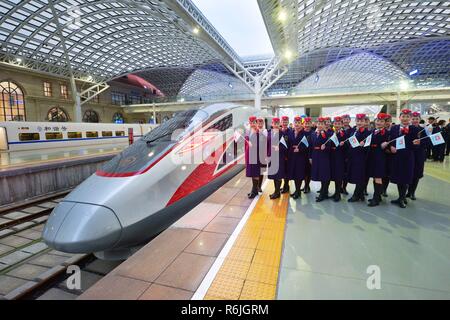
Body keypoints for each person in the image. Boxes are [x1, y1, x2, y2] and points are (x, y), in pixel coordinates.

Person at [388, 109, 420, 208]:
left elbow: (416, 146)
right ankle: (400, 197)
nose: (405, 118)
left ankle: (402, 198)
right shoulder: (394, 128)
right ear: (399, 117)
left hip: (408, 157)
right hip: (396, 156)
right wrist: (391, 147)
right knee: (398, 177)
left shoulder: (414, 129)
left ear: (410, 118)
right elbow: (390, 141)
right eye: (403, 116)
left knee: (405, 178)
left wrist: (417, 144)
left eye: (407, 117)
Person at [366, 113, 389, 207]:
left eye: (381, 121)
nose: (379, 122)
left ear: (385, 123)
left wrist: (387, 144)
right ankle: (377, 196)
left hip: (380, 157)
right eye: (378, 121)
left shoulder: (387, 133)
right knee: (375, 177)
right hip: (372, 156)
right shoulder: (373, 131)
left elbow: (392, 143)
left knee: (378, 177)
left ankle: (376, 199)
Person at [347, 113, 371, 202]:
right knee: (356, 176)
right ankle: (361, 195)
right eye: (358, 121)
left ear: (365, 122)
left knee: (359, 177)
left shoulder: (368, 133)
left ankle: (356, 195)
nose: (359, 122)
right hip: (353, 157)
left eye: (361, 121)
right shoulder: (353, 131)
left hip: (362, 158)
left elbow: (370, 146)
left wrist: (364, 145)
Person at [287, 116, 309, 199]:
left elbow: (308, 146)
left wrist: (299, 149)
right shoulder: (291, 133)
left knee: (298, 174)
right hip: (292, 156)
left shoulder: (305, 134)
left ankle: (298, 191)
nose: (297, 124)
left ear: (301, 124)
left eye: (298, 123)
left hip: (301, 157)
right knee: (294, 174)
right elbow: (288, 144)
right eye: (295, 123)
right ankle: (297, 190)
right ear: (293, 123)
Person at [310, 117, 331, 202]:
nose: (320, 125)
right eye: (318, 124)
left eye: (322, 124)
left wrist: (325, 147)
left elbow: (329, 147)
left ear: (324, 125)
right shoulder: (313, 134)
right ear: (316, 124)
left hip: (323, 157)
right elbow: (311, 147)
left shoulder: (327, 135)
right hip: (315, 155)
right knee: (318, 174)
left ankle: (323, 193)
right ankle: (323, 192)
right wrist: (310, 157)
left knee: (324, 175)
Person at [406, 112, 427, 200]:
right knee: (407, 173)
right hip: (408, 154)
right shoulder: (407, 129)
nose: (415, 121)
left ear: (419, 120)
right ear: (410, 119)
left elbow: (427, 142)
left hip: (419, 155)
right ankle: (405, 192)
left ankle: (412, 192)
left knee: (416, 174)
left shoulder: (422, 130)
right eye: (413, 119)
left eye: (417, 119)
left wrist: (420, 142)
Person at [267, 118, 288, 199]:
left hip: (279, 157)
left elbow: (286, 146)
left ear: (279, 124)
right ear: (272, 124)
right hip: (271, 156)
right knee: (273, 175)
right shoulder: (269, 133)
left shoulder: (283, 134)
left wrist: (280, 148)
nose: (275, 125)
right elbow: (267, 145)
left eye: (277, 123)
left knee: (278, 175)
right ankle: (276, 191)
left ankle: (277, 192)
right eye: (274, 123)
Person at [245, 116, 265, 199]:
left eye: (254, 122)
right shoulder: (248, 131)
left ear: (256, 123)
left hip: (256, 156)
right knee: (253, 173)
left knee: (256, 172)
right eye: (251, 122)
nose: (252, 124)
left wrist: (254, 145)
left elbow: (262, 145)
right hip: (249, 155)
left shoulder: (259, 132)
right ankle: (255, 189)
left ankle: (254, 191)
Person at [330, 116, 347, 202]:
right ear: (333, 124)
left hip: (340, 157)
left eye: (339, 123)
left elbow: (348, 147)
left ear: (342, 124)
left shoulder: (344, 134)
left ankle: (338, 194)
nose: (337, 125)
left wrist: (344, 144)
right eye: (335, 123)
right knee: (333, 175)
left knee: (339, 176)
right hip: (331, 157)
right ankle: (335, 192)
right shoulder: (330, 133)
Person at [301, 117, 313, 194]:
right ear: (303, 124)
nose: (307, 125)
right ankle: (304, 185)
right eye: (306, 123)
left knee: (308, 172)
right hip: (301, 155)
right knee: (302, 171)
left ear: (311, 124)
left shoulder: (314, 133)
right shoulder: (300, 133)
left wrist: (311, 157)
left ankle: (307, 186)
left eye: (309, 123)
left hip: (309, 155)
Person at [382, 114, 393, 197]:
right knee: (380, 173)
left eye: (388, 121)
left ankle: (384, 189)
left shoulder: (394, 131)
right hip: (381, 155)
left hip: (390, 156)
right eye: (385, 121)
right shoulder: (379, 131)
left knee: (387, 175)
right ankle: (379, 190)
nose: (386, 123)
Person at [341, 114, 352, 195]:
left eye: (347, 119)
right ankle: (338, 188)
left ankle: (344, 187)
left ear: (350, 120)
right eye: (344, 119)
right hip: (338, 153)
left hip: (348, 153)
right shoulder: (337, 129)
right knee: (338, 171)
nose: (345, 120)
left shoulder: (353, 130)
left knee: (346, 171)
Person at [280, 116, 291, 194]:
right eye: (283, 122)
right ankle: (285, 185)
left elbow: (291, 144)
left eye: (286, 122)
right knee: (282, 171)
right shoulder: (279, 131)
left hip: (287, 155)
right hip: (280, 155)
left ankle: (286, 186)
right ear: (281, 122)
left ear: (288, 122)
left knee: (287, 171)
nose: (284, 123)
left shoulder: (290, 132)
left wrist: (288, 155)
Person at [256, 117, 267, 192]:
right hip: (255, 155)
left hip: (263, 154)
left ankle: (259, 186)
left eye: (261, 123)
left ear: (263, 123)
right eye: (258, 123)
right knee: (255, 171)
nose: (260, 124)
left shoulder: (266, 131)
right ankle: (255, 187)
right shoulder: (253, 131)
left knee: (261, 171)